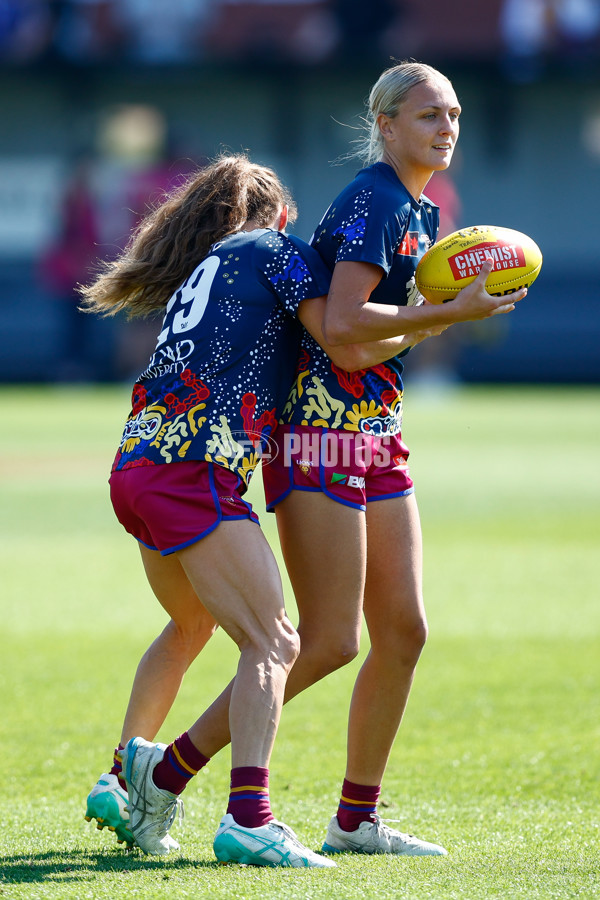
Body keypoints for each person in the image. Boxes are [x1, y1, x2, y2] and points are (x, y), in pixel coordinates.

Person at [84, 63, 526, 860]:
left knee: (398, 631)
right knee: (308, 641)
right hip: (311, 435)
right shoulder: (363, 205)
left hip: (329, 434)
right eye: (429, 113)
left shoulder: (412, 213)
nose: (448, 126)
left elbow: (363, 340)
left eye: (455, 113)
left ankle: (341, 814)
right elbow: (347, 333)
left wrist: (437, 319)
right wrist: (447, 312)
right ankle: (186, 786)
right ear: (384, 124)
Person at [79, 153, 359, 868]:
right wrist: (446, 310)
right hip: (193, 468)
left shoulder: (205, 270)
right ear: (283, 216)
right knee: (275, 642)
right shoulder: (274, 249)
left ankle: (125, 780)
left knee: (192, 621)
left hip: (138, 464)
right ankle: (249, 818)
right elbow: (339, 332)